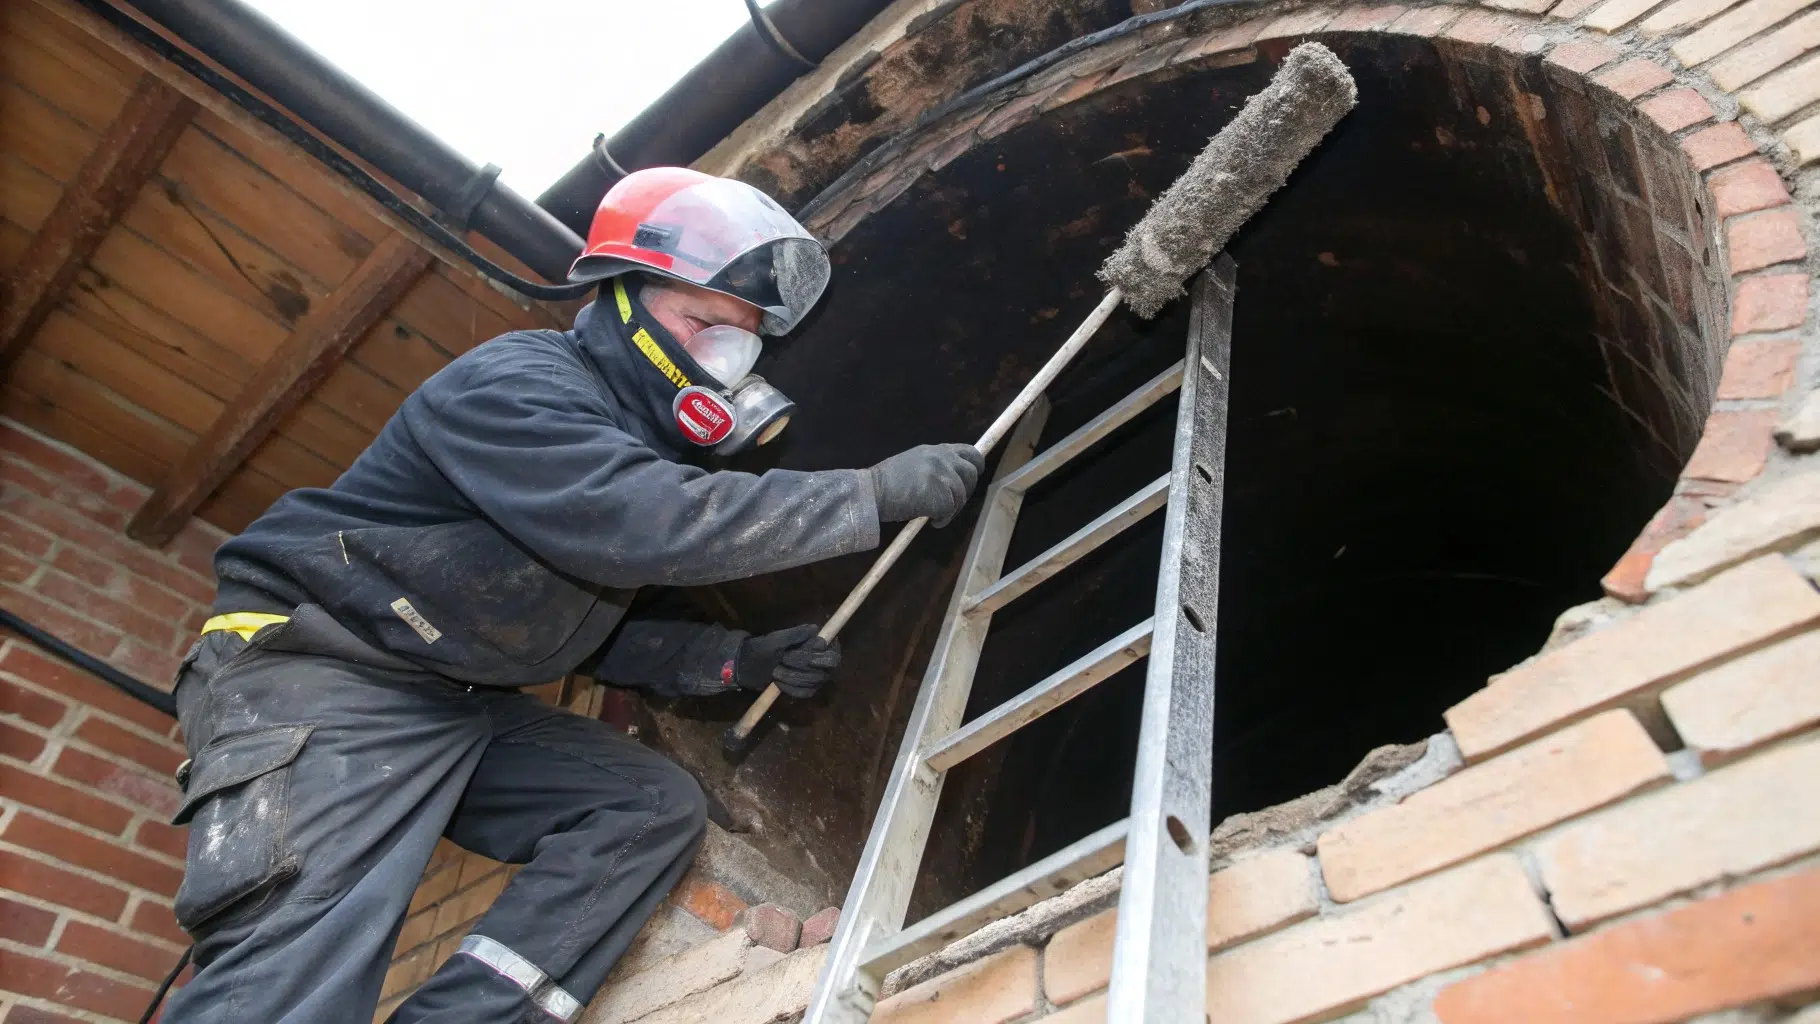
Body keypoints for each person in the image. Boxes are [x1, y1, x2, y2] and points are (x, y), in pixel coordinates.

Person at [160, 167, 984, 1023]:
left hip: (450, 698)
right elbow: (642, 521)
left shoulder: (629, 453)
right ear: (621, 300)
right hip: (320, 671)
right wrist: (868, 496)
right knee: (290, 982)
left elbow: (586, 620)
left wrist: (737, 660)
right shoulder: (520, 383)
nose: (726, 360)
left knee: (645, 807)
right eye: (704, 324)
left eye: (742, 341)